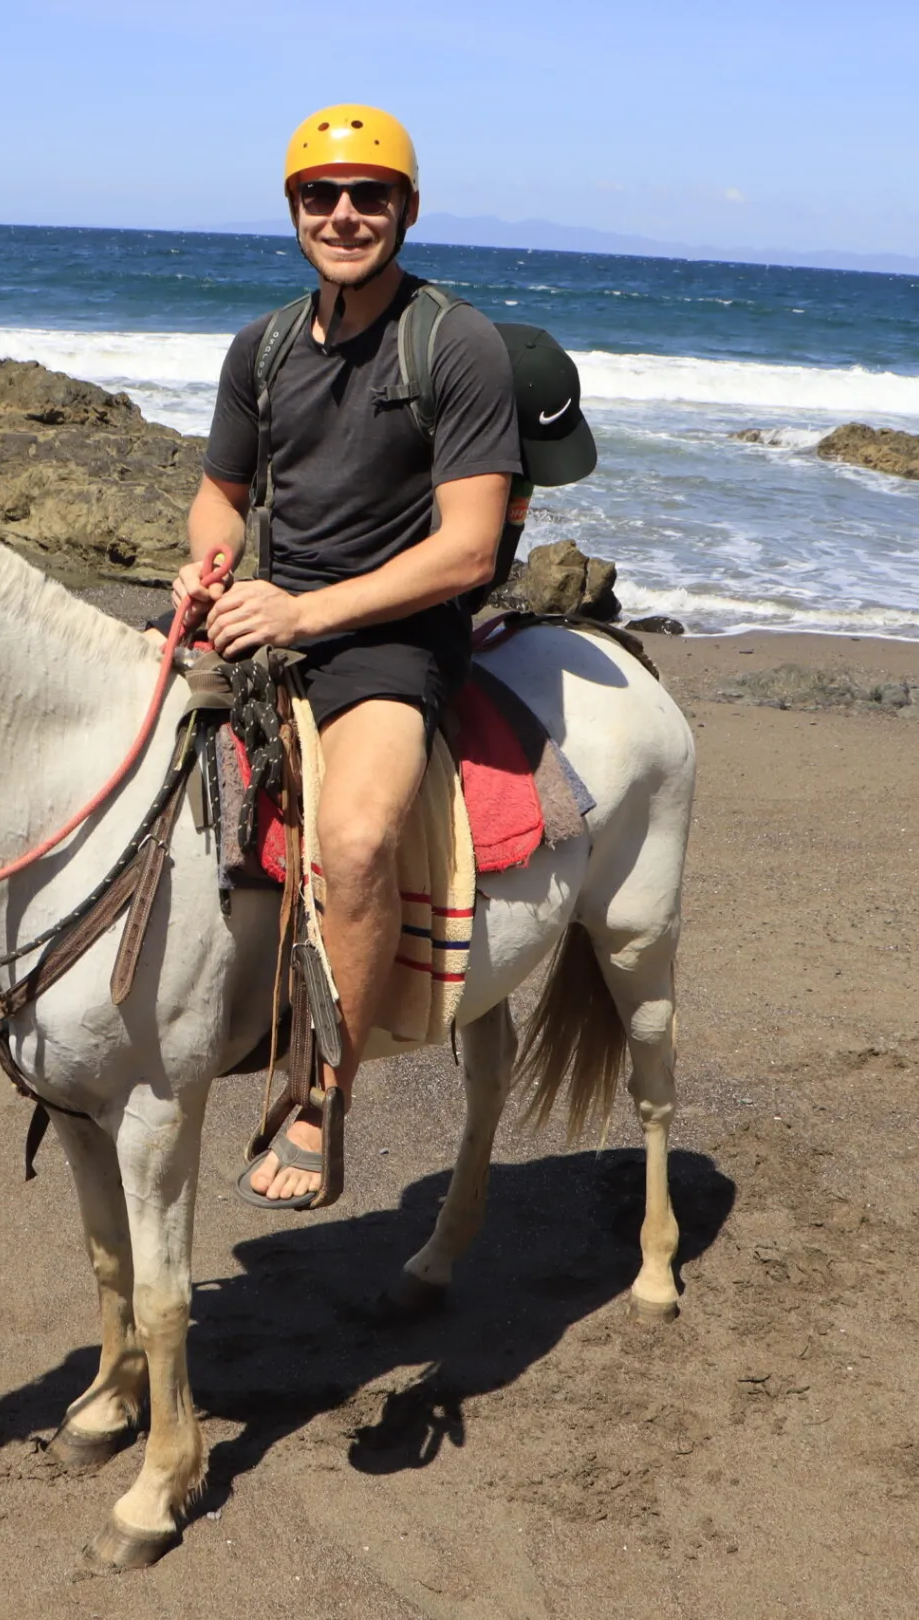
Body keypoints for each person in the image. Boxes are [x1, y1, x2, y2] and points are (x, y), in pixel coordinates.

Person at [175, 105, 522, 1211]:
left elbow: (467, 549)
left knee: (361, 835)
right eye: (321, 197)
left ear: (408, 210)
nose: (345, 215)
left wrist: (306, 614)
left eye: (371, 195)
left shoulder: (452, 343)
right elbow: (220, 496)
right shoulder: (266, 346)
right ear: (293, 212)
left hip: (392, 639)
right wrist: (210, 567)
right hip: (273, 618)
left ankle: (327, 1091)